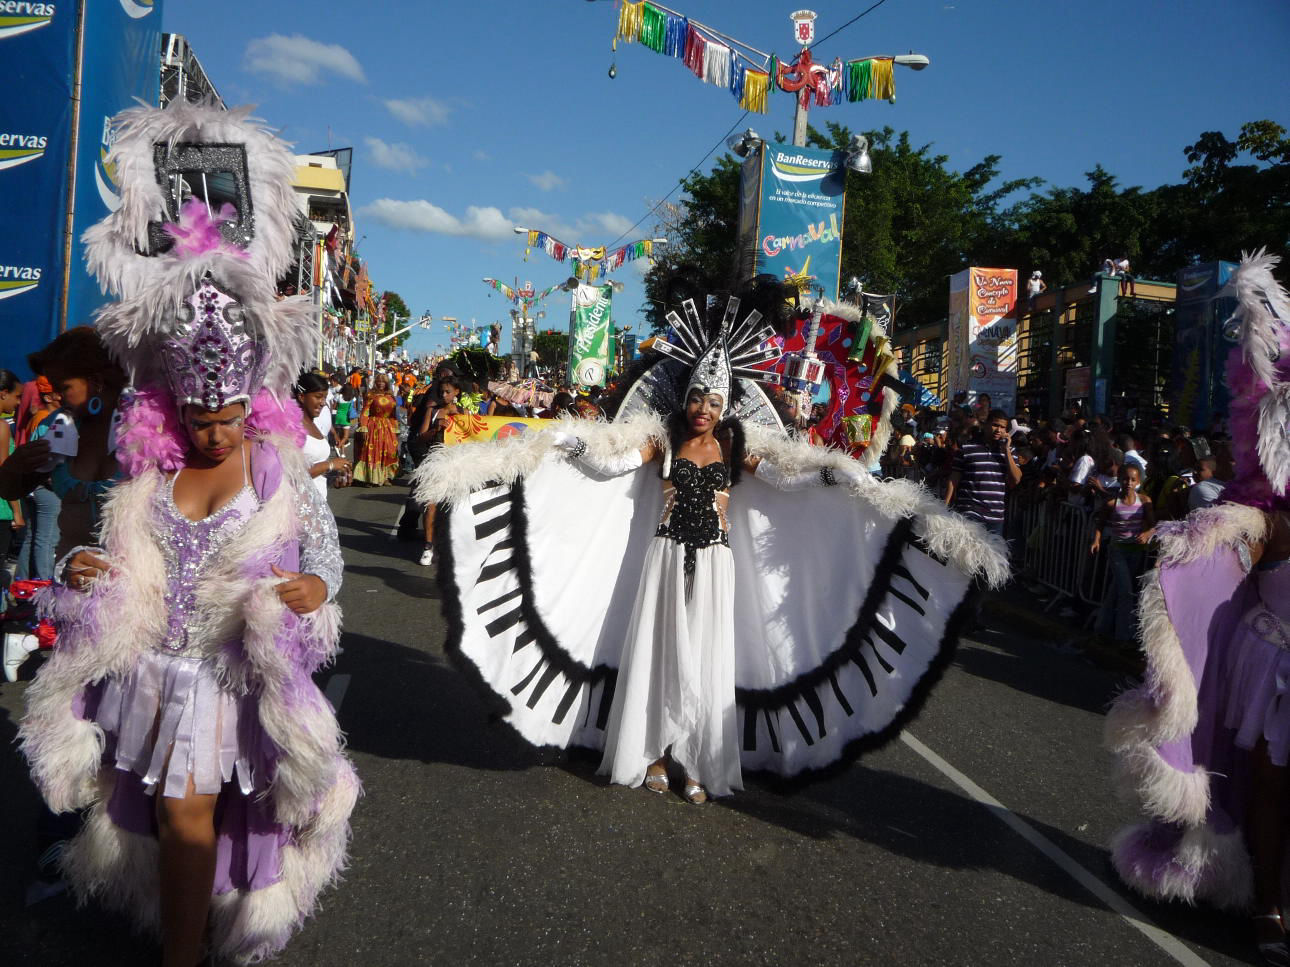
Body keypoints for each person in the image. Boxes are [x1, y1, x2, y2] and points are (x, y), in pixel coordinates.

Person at [415, 277, 1008, 802]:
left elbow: (785, 477)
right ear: (686, 397)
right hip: (667, 556)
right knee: (660, 653)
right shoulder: (664, 438)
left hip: (716, 563)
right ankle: (650, 752)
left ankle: (697, 758)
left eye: (713, 400)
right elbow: (614, 465)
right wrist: (561, 444)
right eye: (696, 397)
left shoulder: (735, 447)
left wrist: (843, 477)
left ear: (727, 406)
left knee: (706, 662)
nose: (702, 408)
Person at [18, 97, 356, 967]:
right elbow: (107, 549)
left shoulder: (277, 470)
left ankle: (181, 951)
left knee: (191, 816)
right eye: (201, 415)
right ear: (177, 402)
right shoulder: (151, 471)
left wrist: (314, 589)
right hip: (150, 672)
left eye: (230, 413)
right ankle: (184, 936)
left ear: (251, 401)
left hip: (228, 680)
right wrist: (90, 563)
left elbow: (322, 555)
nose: (215, 430)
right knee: (163, 816)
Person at [1105, 252, 1290, 966]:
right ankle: (1267, 905)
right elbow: (1231, 533)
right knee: (1270, 790)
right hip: (1271, 670)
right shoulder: (1273, 519)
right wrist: (1190, 534)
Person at [1090, 463, 1154, 644]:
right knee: (1125, 592)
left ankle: (1101, 627)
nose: (1128, 483)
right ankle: (1123, 636)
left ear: (1138, 482)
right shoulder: (1112, 503)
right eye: (1125, 479)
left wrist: (1147, 533)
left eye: (1133, 479)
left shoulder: (1145, 501)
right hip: (1117, 550)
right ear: (1119, 479)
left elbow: (1153, 524)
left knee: (1115, 590)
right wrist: (1096, 540)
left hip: (1136, 551)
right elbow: (1100, 523)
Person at [944, 409, 1022, 540]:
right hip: (970, 510)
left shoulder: (1010, 451)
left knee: (991, 557)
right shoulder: (967, 447)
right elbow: (954, 478)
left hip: (995, 516)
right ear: (986, 424)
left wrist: (1006, 450)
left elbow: (1017, 478)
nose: (998, 430)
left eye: (1003, 427)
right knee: (966, 554)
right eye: (995, 425)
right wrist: (944, 505)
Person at [294, 371, 351, 498]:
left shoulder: (314, 424)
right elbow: (290, 477)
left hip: (319, 503)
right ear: (302, 397)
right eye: (318, 396)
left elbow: (316, 470)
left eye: (324, 397)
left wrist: (334, 476)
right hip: (297, 506)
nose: (323, 402)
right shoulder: (291, 428)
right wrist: (330, 465)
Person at [352, 371, 400, 485]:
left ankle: (386, 477)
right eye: (379, 381)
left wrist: (396, 427)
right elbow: (365, 412)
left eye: (383, 381)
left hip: (388, 426)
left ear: (387, 383)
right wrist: (363, 426)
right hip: (373, 426)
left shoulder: (391, 396)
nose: (381, 383)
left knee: (389, 451)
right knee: (373, 452)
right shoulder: (370, 395)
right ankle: (370, 478)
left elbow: (394, 414)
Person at [0, 370, 24, 589]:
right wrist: (16, 511)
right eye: (17, 397)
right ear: (3, 394)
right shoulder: (2, 426)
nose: (18, 403)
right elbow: (4, 470)